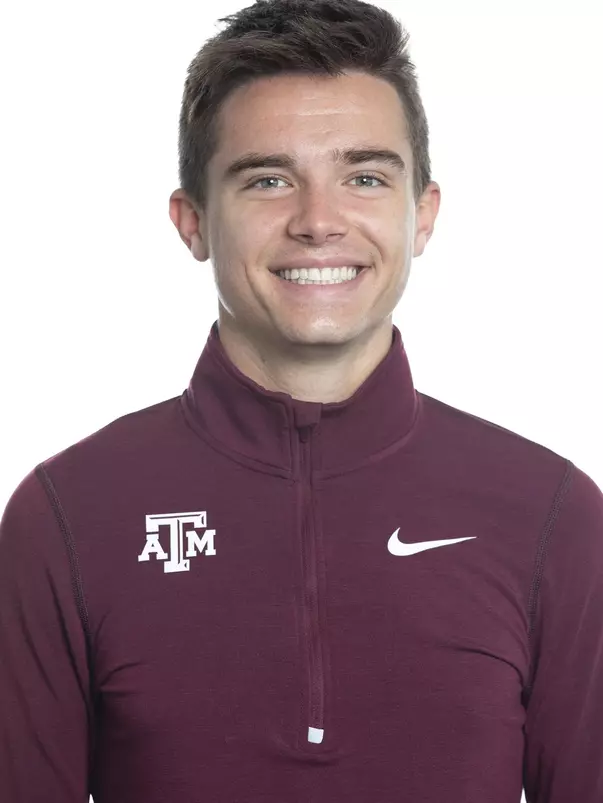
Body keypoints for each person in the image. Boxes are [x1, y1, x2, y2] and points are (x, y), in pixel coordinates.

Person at [1, 0, 602, 800]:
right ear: (193, 222)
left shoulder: (549, 514)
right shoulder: (67, 517)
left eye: (362, 176)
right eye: (268, 179)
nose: (318, 222)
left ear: (421, 214)